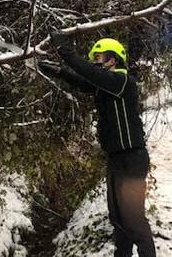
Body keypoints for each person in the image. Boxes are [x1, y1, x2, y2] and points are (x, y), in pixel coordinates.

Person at [38, 32, 156, 257]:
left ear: (113, 60)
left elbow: (90, 74)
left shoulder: (122, 82)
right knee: (118, 219)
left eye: (100, 57)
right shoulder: (107, 86)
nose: (95, 62)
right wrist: (59, 72)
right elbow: (85, 82)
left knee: (133, 221)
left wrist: (64, 50)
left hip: (132, 159)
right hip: (116, 159)